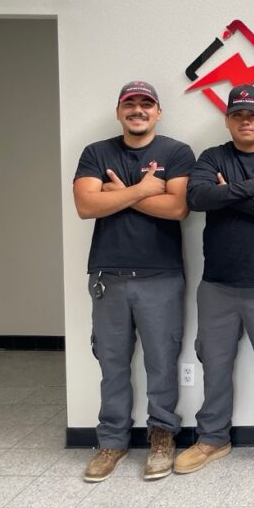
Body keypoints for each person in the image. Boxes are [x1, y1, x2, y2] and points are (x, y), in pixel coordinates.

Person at [175, 84, 254, 476]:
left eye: (253, 115)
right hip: (217, 285)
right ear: (227, 120)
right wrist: (252, 188)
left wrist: (225, 192)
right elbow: (197, 199)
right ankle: (212, 438)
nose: (246, 121)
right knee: (214, 364)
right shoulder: (211, 156)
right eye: (238, 115)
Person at [73, 80, 195, 482]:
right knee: (112, 362)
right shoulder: (97, 152)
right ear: (119, 111)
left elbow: (176, 207)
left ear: (158, 112)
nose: (138, 110)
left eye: (146, 104)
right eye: (131, 104)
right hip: (108, 275)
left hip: (160, 275)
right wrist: (144, 191)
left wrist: (122, 193)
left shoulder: (176, 152)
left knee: (162, 361)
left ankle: (162, 437)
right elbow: (87, 204)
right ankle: (112, 441)